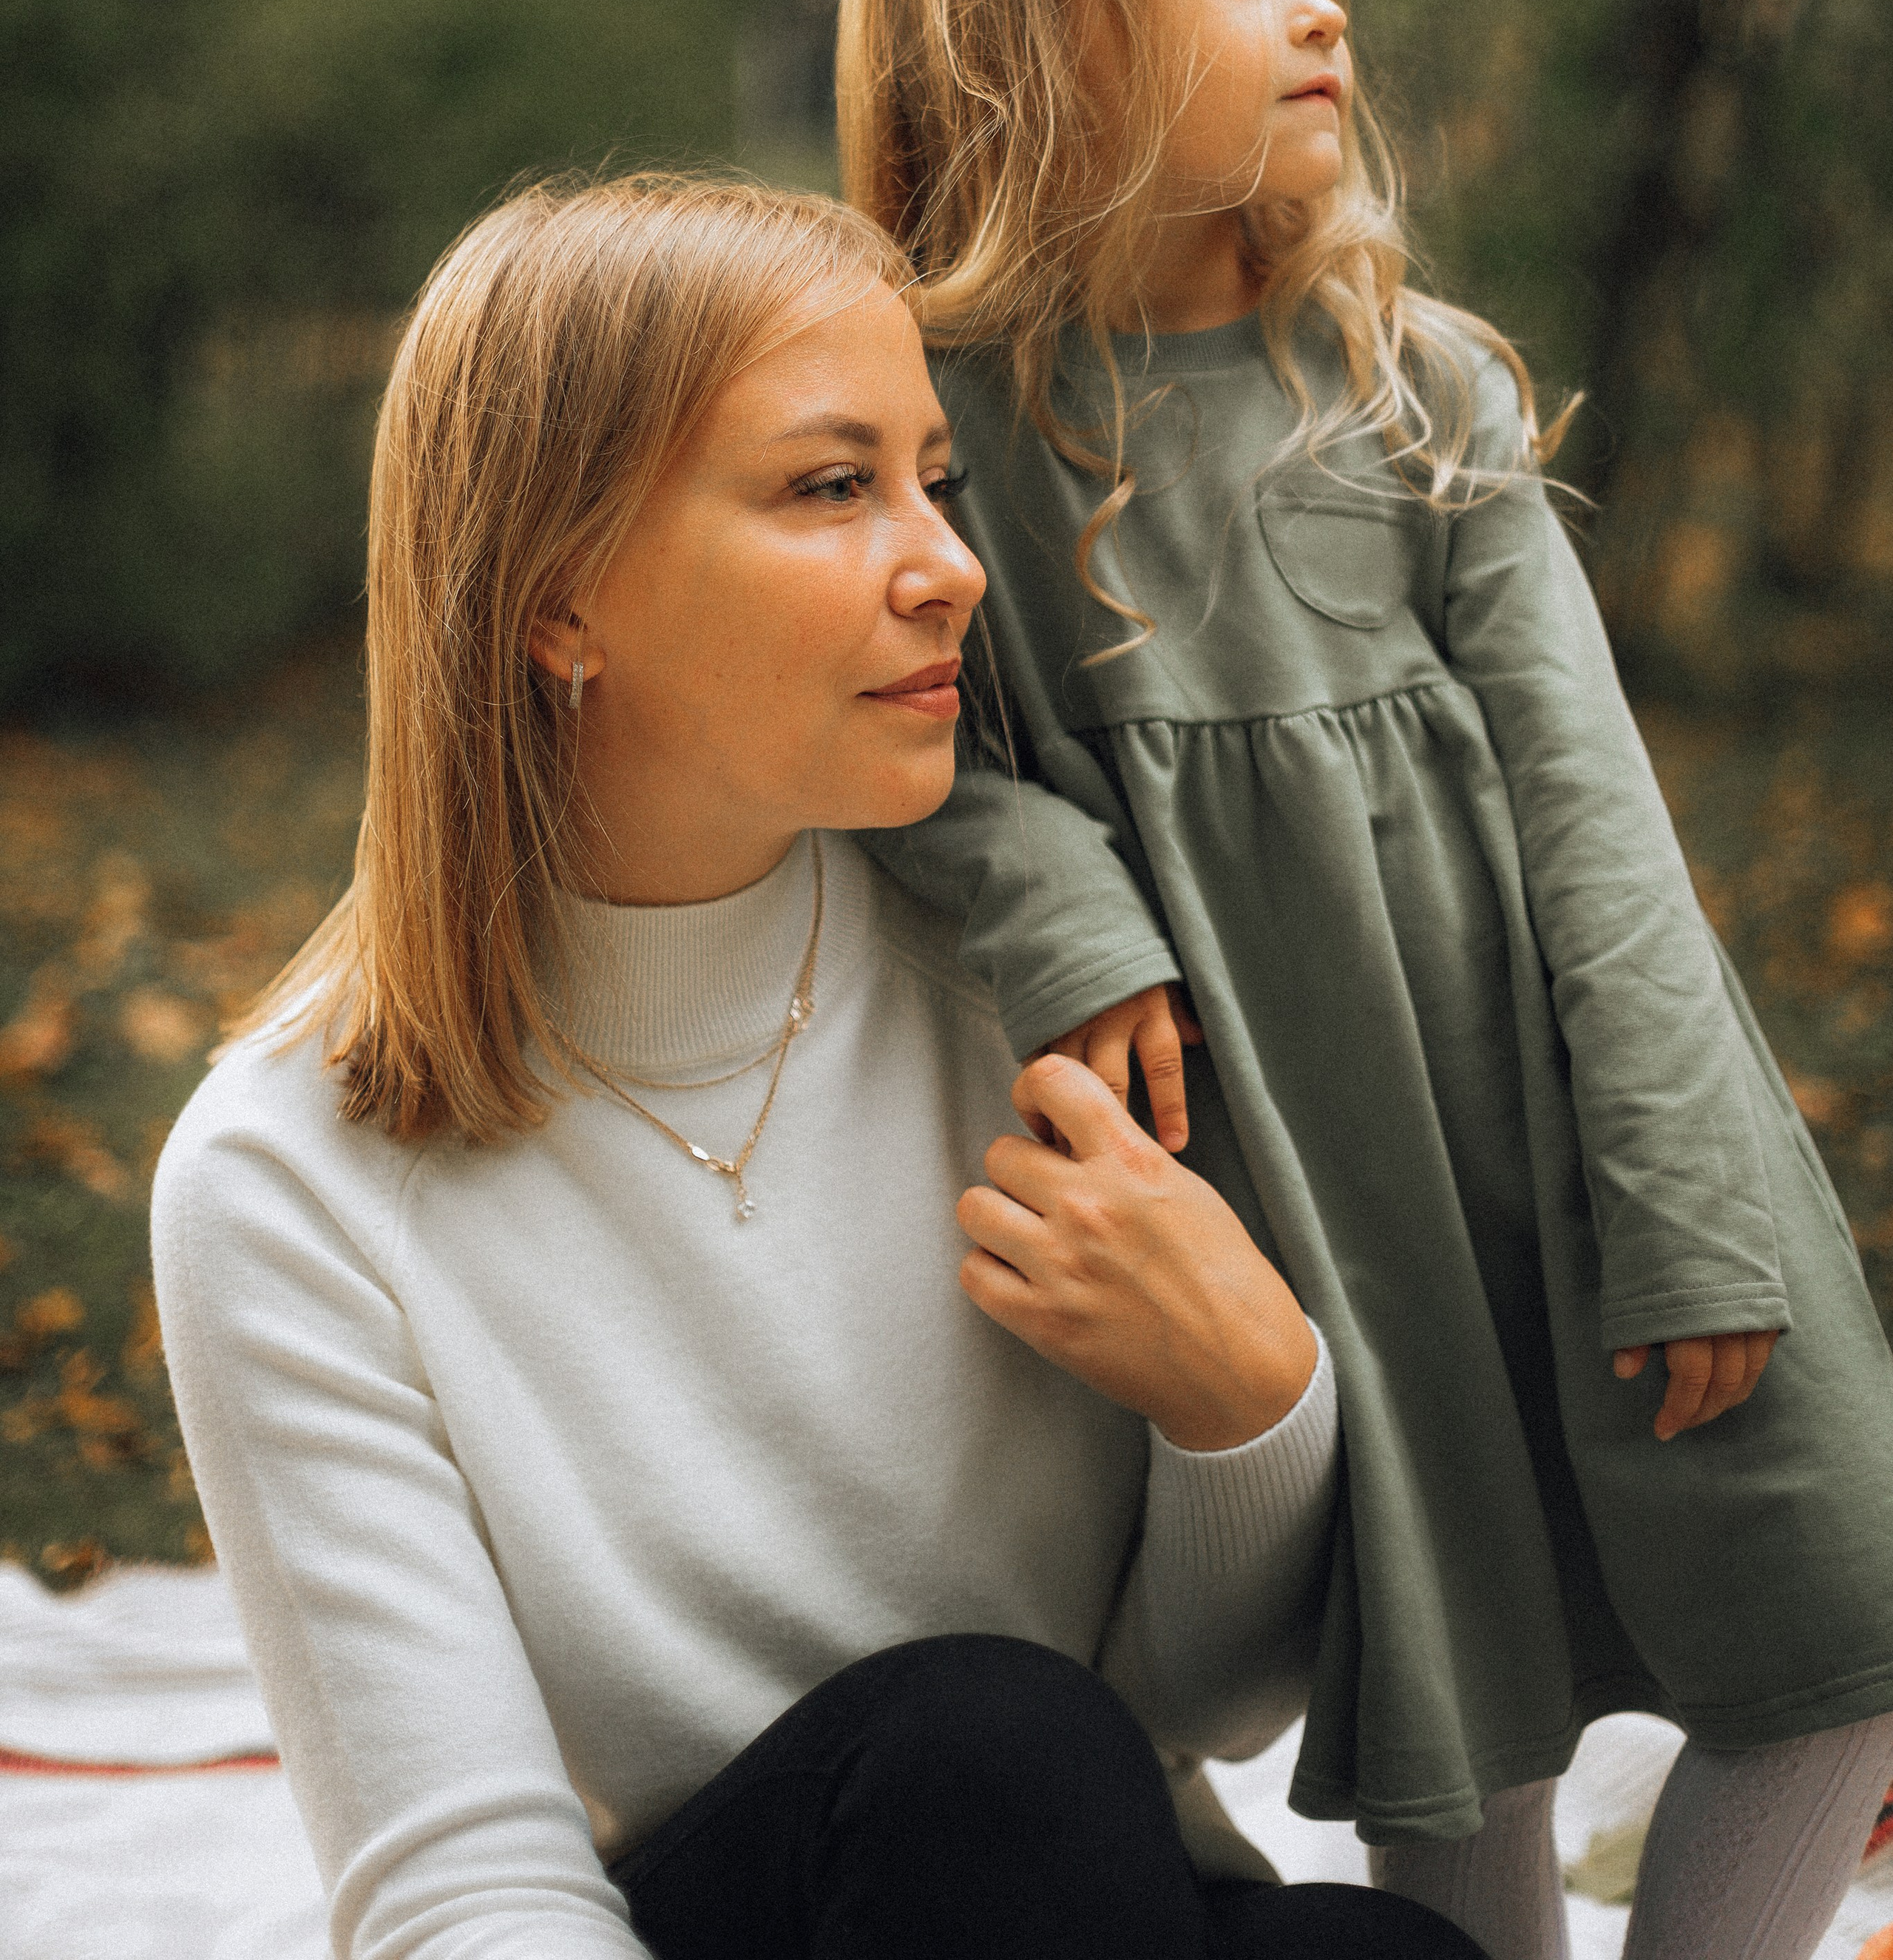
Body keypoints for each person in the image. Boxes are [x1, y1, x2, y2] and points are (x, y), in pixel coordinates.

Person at [836, 0, 1893, 1960]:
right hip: (1332, 1166)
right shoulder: (942, 425)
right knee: (1469, 1685)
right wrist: (1064, 897)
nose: (1320, 7)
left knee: (1840, 1636)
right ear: (1032, 34)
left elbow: (1600, 825)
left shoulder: (1416, 382)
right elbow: (904, 754)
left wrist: (1691, 1205)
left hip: (1610, 1115)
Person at [152, 175, 1477, 1960]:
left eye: (932, 478)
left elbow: (1200, 1723)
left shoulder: (1046, 1007)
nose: (948, 564)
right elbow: (467, 1894)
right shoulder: (289, 1176)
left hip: (1068, 1901)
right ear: (559, 601)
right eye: (831, 487)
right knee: (987, 1759)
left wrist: (1244, 1406)